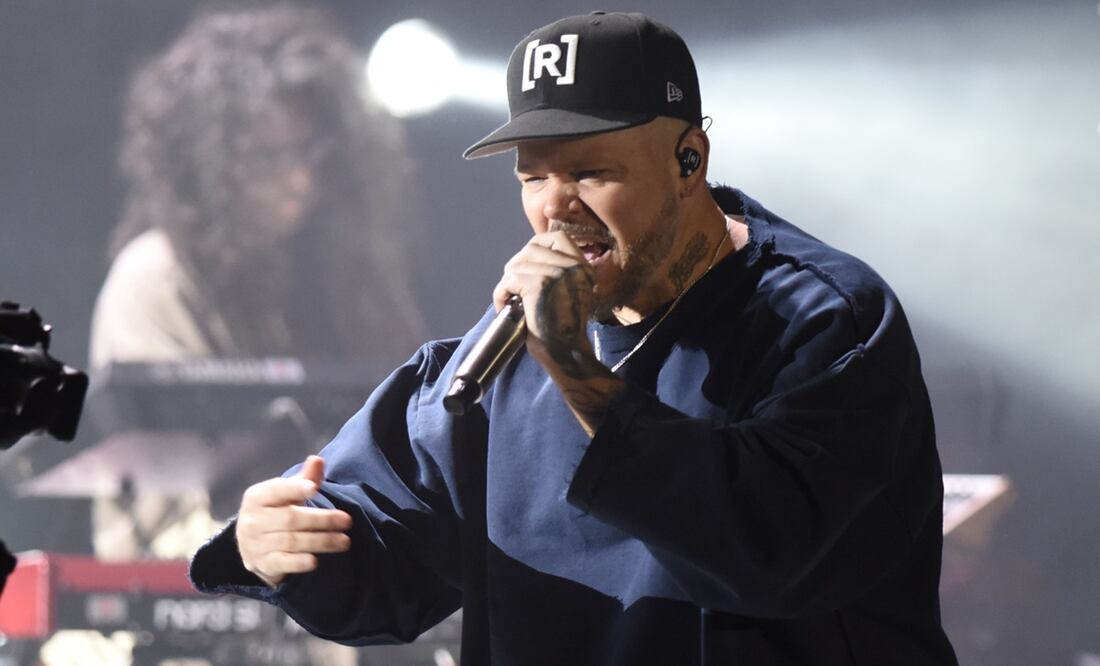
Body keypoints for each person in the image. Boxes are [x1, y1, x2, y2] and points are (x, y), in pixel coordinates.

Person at [190, 11, 959, 665]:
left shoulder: (822, 321)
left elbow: (772, 553)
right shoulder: (498, 361)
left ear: (688, 159)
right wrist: (284, 545)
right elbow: (388, 559)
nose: (556, 208)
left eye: (590, 171)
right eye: (533, 177)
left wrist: (575, 370)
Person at [87, 3, 425, 563]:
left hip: (320, 617)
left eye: (310, 153)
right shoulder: (157, 277)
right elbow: (167, 522)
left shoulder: (343, 278)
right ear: (209, 160)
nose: (299, 179)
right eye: (269, 156)